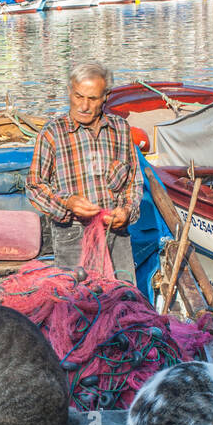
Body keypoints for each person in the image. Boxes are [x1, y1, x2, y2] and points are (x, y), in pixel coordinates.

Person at [26, 62, 142, 281]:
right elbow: (34, 187)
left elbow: (133, 183)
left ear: (106, 97)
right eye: (79, 96)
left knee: (124, 300)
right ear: (70, 92)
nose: (84, 106)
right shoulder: (53, 133)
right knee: (77, 301)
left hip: (115, 234)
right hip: (72, 234)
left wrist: (126, 211)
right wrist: (67, 203)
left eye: (92, 99)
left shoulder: (120, 130)